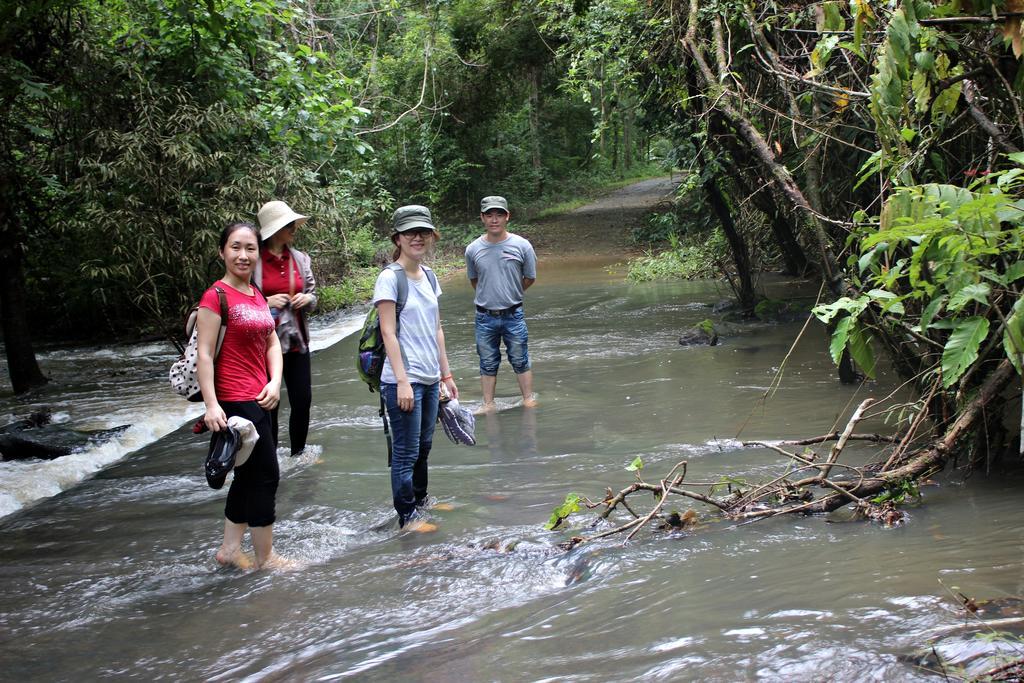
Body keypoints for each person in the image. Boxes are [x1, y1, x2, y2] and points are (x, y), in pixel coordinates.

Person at [196, 221, 287, 570]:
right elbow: (205, 353)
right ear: (222, 252)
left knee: (248, 477)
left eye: (250, 248)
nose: (243, 255)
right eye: (235, 247)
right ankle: (267, 557)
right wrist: (211, 405)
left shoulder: (257, 294)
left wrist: (275, 381)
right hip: (234, 402)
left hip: (262, 397)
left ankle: (230, 550)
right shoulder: (215, 296)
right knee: (267, 476)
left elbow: (272, 341)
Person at [374, 205, 459, 530]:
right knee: (406, 452)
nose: (418, 238)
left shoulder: (430, 276)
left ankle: (422, 501)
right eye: (411, 233)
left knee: (423, 447)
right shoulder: (389, 278)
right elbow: (388, 332)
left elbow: (436, 329)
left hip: (429, 377)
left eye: (423, 232)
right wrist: (402, 381)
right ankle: (407, 516)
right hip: (402, 381)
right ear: (398, 238)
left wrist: (445, 375)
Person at [255, 200, 317, 456]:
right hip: (263, 345)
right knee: (270, 404)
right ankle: (270, 457)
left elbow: (313, 295)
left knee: (302, 401)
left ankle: (298, 455)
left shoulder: (300, 259)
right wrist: (266, 301)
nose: (294, 228)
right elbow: (238, 298)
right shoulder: (253, 261)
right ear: (274, 229)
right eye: (288, 224)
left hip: (296, 342)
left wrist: (308, 299)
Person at [465, 195, 538, 413]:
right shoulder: (473, 249)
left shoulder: (522, 245)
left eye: (499, 215)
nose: (494, 220)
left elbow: (530, 277)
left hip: (513, 314)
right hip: (485, 316)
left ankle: (528, 399)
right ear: (482, 218)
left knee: (520, 358)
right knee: (487, 361)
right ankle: (488, 404)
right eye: (489, 215)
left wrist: (510, 293)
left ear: (507, 217)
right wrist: (491, 295)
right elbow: (474, 280)